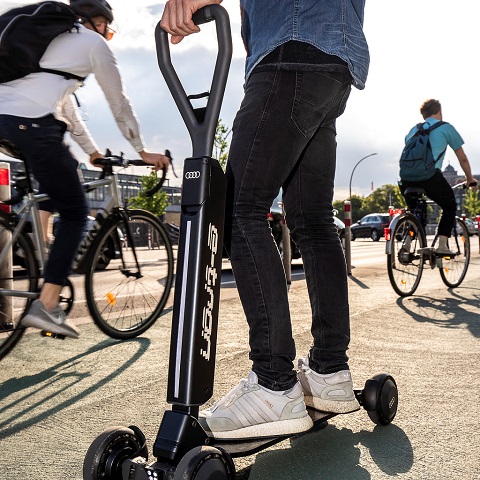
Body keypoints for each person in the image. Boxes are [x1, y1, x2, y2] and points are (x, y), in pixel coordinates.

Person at [161, 0, 369, 439]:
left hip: (290, 50)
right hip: (332, 61)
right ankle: (330, 372)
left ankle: (275, 382)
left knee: (239, 209)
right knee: (312, 220)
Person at [0, 0, 170, 339]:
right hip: (30, 124)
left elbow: (66, 111)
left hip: (9, 120)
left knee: (65, 171)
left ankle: (36, 244)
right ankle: (46, 305)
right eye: (110, 28)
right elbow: (119, 103)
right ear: (100, 22)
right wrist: (143, 151)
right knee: (76, 211)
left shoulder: (52, 40)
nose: (110, 34)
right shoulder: (95, 44)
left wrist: (92, 152)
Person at [399, 99, 477, 255]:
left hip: (406, 179)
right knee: (449, 206)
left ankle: (406, 245)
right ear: (439, 111)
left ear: (424, 115)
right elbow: (462, 158)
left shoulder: (413, 130)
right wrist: (470, 179)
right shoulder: (446, 128)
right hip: (429, 176)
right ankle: (442, 244)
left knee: (417, 212)